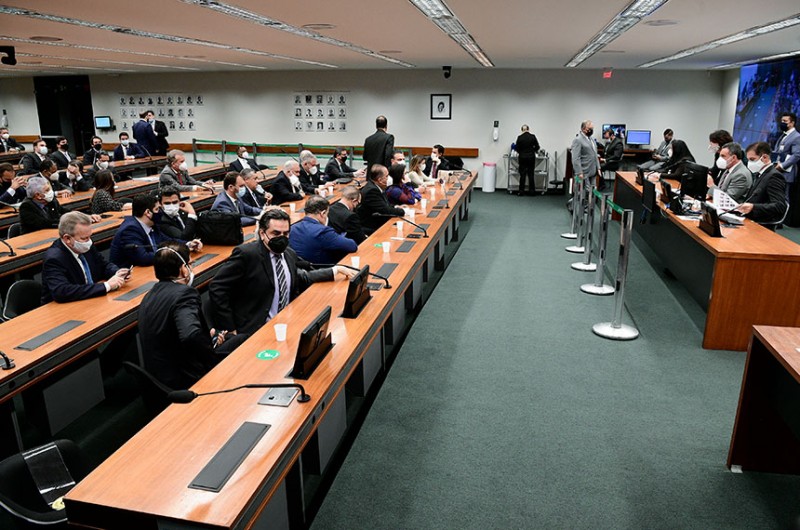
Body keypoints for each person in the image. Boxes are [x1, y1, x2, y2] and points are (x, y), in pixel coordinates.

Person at [208, 209, 354, 335]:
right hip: (255, 329)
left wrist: (334, 271)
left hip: (286, 323)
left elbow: (301, 278)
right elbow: (217, 287)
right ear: (263, 233)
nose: (281, 238)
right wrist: (229, 328)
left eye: (286, 234)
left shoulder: (289, 254)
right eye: (276, 233)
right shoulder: (247, 254)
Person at [138, 242, 248, 389]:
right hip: (186, 376)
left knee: (225, 337)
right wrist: (210, 350)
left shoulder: (149, 296)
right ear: (183, 269)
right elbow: (190, 335)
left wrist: (206, 337)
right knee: (241, 339)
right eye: (189, 264)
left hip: (160, 377)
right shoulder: (184, 294)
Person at [40, 211, 130, 304]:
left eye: (89, 237)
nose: (89, 242)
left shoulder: (85, 245)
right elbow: (62, 291)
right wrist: (106, 286)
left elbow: (103, 265)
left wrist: (116, 272)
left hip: (88, 300)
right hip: (62, 309)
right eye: (84, 238)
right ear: (67, 239)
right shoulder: (54, 258)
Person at [110, 193, 202, 268]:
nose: (161, 212)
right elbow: (143, 258)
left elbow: (168, 241)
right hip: (129, 277)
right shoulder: (130, 230)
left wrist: (188, 244)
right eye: (157, 209)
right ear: (148, 213)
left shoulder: (152, 225)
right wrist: (175, 252)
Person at [289, 195, 358, 264]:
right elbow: (352, 246)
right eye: (327, 214)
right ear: (322, 213)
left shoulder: (292, 228)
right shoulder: (322, 231)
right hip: (323, 270)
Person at [734, 141, 787, 226]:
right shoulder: (760, 174)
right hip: (748, 218)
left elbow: (779, 206)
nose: (749, 163)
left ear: (765, 157)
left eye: (752, 159)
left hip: (760, 223)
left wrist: (753, 207)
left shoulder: (774, 176)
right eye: (748, 160)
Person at [18, 176, 86, 234]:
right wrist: (71, 221)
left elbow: (64, 211)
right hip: (34, 237)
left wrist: (82, 217)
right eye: (47, 190)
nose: (51, 192)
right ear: (38, 195)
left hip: (52, 233)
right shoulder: (26, 207)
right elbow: (45, 223)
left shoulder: (51, 201)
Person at [358, 164, 405, 235]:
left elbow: (385, 204)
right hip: (373, 227)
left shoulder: (376, 186)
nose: (388, 178)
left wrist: (396, 207)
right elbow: (385, 210)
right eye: (386, 176)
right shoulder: (371, 191)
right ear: (380, 180)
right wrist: (403, 211)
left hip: (379, 223)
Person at [773, 112, 800, 203]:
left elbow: (796, 155)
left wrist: (782, 166)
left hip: (786, 173)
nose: (782, 123)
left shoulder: (796, 137)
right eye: (781, 121)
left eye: (785, 121)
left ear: (792, 123)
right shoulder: (784, 135)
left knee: (784, 198)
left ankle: (783, 217)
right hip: (777, 171)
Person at [570, 120, 600, 187]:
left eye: (592, 128)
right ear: (583, 129)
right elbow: (575, 158)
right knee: (584, 192)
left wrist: (598, 168)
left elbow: (595, 154)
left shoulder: (592, 139)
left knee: (593, 191)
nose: (591, 130)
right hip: (584, 171)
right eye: (590, 129)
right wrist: (579, 172)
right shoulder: (577, 140)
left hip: (593, 171)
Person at [514, 125, 541, 196]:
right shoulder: (533, 137)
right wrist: (532, 151)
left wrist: (521, 152)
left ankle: (521, 191)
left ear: (522, 130)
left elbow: (517, 148)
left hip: (522, 157)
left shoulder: (519, 138)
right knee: (531, 174)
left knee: (522, 175)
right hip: (531, 157)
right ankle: (532, 192)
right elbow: (537, 147)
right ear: (528, 129)